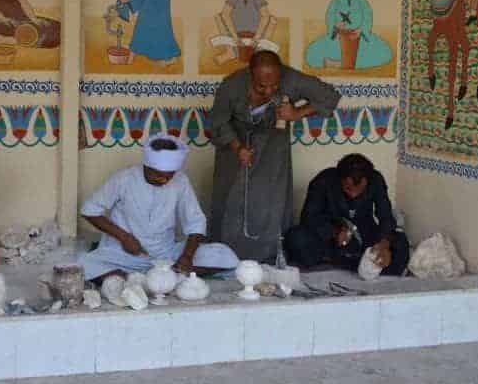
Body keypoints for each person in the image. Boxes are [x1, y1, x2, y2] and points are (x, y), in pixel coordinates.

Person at [209, 50, 340, 263]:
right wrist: (238, 148)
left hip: (272, 151)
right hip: (233, 153)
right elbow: (218, 123)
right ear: (250, 75)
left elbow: (329, 96)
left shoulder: (291, 79)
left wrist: (297, 113)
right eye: (262, 86)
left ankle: (269, 257)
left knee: (269, 204)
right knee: (231, 202)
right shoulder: (231, 86)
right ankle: (225, 259)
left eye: (274, 85)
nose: (269, 91)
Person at [79, 134, 239, 283]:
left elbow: (195, 221)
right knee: (83, 264)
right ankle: (164, 279)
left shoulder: (180, 181)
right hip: (122, 254)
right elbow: (89, 210)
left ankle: (150, 278)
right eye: (158, 174)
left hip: (165, 254)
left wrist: (187, 256)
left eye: (169, 175)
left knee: (224, 254)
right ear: (146, 166)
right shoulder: (124, 178)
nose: (164, 180)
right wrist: (124, 237)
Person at [284, 153, 409, 276]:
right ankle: (353, 262)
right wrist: (335, 231)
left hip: (364, 236)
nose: (353, 195)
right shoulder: (323, 181)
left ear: (366, 182)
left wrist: (384, 244)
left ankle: (350, 261)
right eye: (348, 188)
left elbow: (385, 216)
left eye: (359, 190)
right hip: (331, 238)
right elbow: (308, 217)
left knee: (400, 241)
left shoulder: (375, 180)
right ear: (339, 179)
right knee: (295, 237)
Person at [304, 0, 392, 70]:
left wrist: (361, 30)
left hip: (359, 37)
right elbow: (330, 14)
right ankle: (343, 63)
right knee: (312, 54)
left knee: (384, 53)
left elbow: (368, 14)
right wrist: (335, 25)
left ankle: (341, 64)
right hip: (338, 36)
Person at [210, 0, 278, 65]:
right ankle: (230, 51)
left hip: (255, 35)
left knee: (272, 20)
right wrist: (235, 38)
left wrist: (257, 38)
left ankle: (259, 52)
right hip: (235, 34)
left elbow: (265, 16)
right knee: (218, 17)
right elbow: (225, 15)